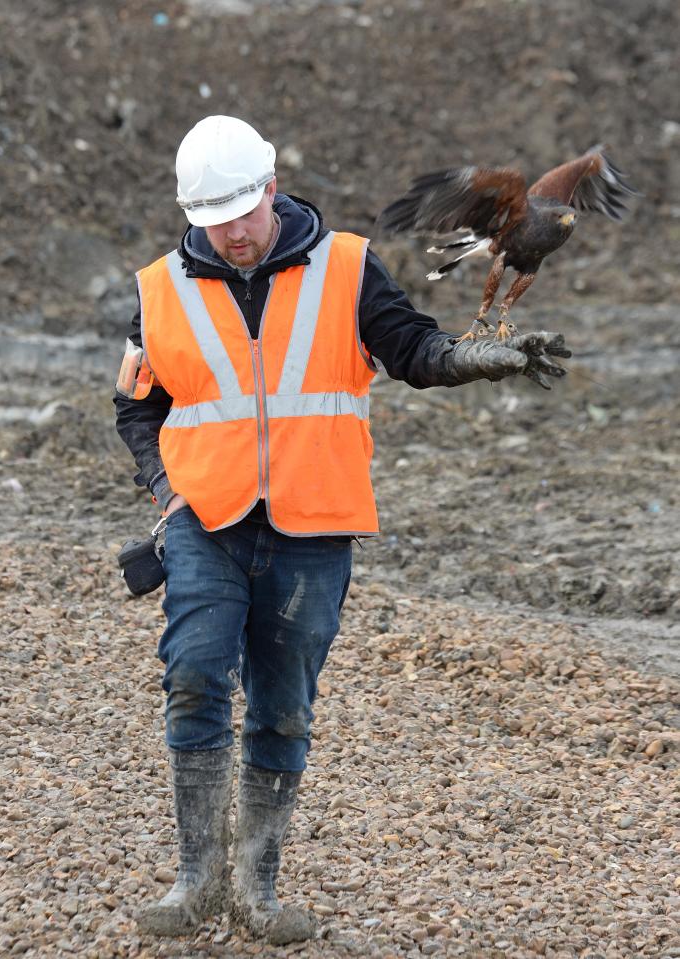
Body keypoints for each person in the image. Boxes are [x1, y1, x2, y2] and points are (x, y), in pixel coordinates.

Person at [114, 115, 570, 944]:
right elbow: (136, 405)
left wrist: (477, 358)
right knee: (193, 677)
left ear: (272, 191)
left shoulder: (348, 266)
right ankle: (196, 878)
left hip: (312, 526)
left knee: (283, 711)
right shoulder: (158, 288)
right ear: (193, 213)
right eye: (215, 221)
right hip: (205, 521)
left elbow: (411, 349)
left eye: (244, 216)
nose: (234, 235)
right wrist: (163, 490)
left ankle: (256, 888)